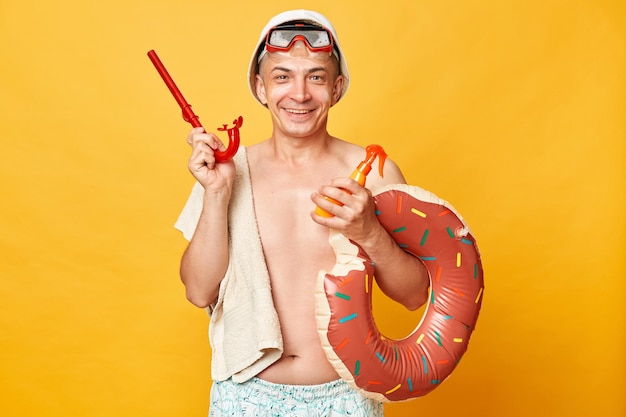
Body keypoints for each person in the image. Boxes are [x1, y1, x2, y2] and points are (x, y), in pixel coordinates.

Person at [174, 9, 430, 417]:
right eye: (282, 77)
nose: (299, 94)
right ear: (260, 87)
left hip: (346, 397)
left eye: (315, 76)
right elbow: (198, 291)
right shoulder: (226, 171)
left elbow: (415, 296)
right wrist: (217, 195)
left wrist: (370, 232)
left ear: (337, 87)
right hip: (243, 396)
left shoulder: (374, 172)